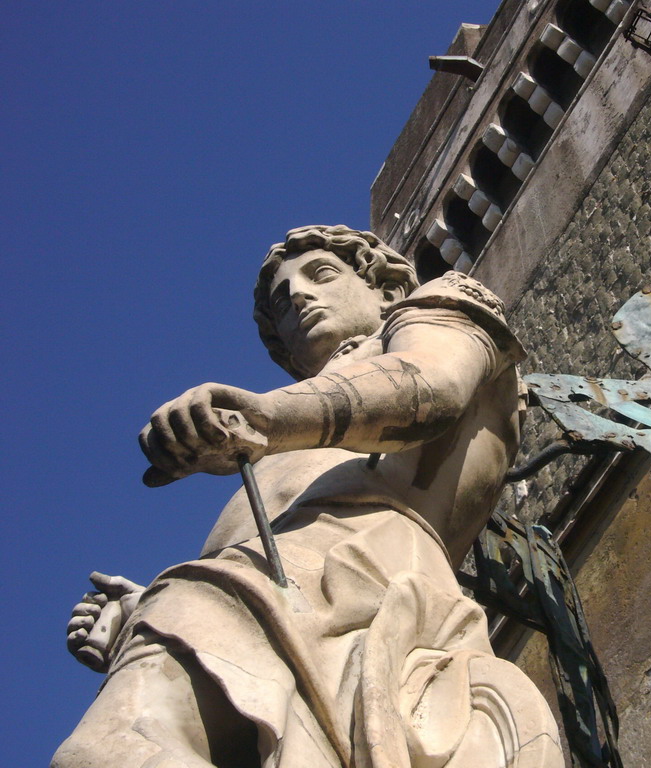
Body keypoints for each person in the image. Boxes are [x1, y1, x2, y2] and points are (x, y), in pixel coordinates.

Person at [54, 225, 563, 768]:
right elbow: (260, 534)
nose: (297, 296)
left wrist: (266, 416)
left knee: (103, 754)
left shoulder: (440, 312)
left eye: (321, 275)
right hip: (253, 589)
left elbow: (429, 387)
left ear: (386, 290)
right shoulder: (294, 431)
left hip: (364, 572)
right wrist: (142, 611)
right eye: (282, 301)